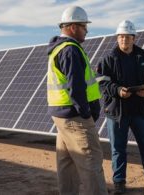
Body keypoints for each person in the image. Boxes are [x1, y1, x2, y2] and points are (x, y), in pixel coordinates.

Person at [96, 20, 144, 194]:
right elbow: (101, 83)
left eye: (127, 37)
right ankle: (119, 182)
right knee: (118, 149)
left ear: (134, 38)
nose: (124, 40)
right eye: (121, 37)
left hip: (139, 110)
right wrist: (117, 90)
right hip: (117, 112)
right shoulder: (108, 59)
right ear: (117, 38)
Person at [46, 6, 108, 195]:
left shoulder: (59, 49)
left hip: (62, 116)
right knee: (91, 163)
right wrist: (86, 113)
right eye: (83, 26)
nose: (86, 30)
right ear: (73, 27)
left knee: (67, 164)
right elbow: (76, 88)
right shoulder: (70, 50)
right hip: (75, 118)